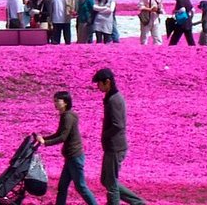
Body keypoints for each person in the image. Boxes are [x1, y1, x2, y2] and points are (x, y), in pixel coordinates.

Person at [92, 68, 144, 205]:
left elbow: (118, 124)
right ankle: (138, 202)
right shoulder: (111, 97)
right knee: (106, 180)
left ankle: (135, 202)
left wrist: (104, 134)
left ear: (107, 82)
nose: (98, 87)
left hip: (115, 146)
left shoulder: (114, 99)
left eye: (99, 83)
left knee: (111, 182)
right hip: (112, 146)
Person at [41, 89, 96, 205]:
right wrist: (44, 138)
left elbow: (63, 137)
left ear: (65, 102)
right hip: (71, 157)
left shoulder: (68, 117)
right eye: (54, 101)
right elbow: (58, 133)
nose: (55, 103)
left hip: (74, 157)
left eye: (57, 101)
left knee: (81, 186)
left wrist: (45, 142)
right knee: (62, 186)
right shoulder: (65, 115)